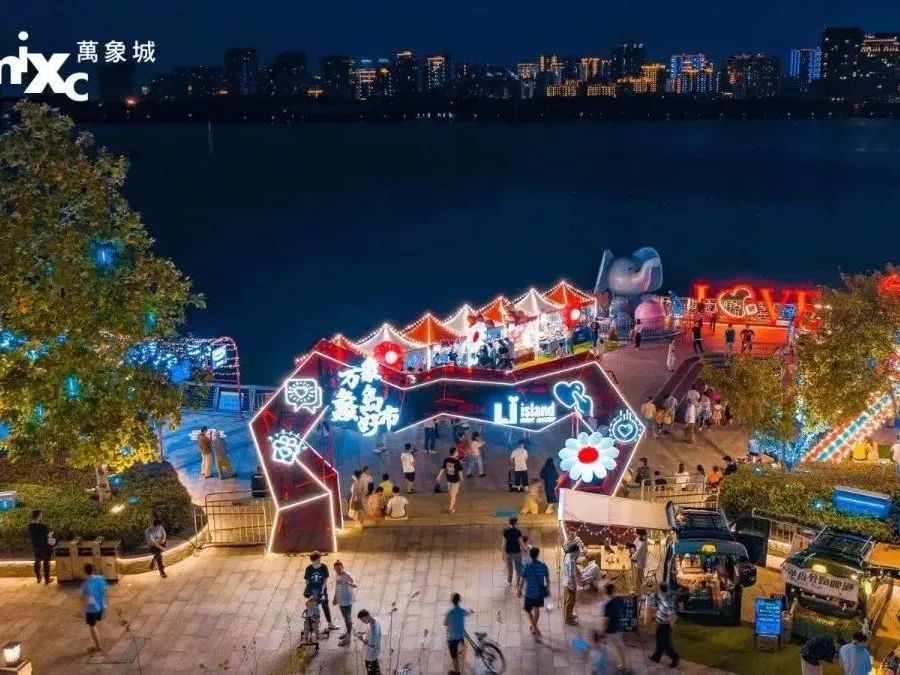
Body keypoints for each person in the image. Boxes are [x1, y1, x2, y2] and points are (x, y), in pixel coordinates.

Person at [596, 583, 629, 671]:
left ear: (605, 592)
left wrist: (602, 632)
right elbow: (624, 609)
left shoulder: (607, 605)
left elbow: (606, 620)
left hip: (611, 630)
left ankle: (624, 666)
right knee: (618, 647)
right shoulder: (619, 599)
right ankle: (623, 664)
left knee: (609, 647)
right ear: (613, 590)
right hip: (619, 627)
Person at [518, 547, 550, 637]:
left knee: (528, 610)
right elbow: (547, 579)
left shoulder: (526, 566)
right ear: (537, 555)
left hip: (529, 593)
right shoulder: (543, 566)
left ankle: (534, 626)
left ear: (530, 555)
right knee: (537, 610)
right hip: (539, 593)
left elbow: (522, 580)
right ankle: (534, 626)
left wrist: (519, 590)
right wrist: (547, 589)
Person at [304, 551, 338, 631]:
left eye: (319, 559)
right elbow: (307, 581)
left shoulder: (323, 567)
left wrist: (322, 589)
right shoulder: (308, 568)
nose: (319, 560)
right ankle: (313, 625)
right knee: (313, 608)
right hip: (312, 591)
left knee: (325, 606)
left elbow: (325, 579)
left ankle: (330, 624)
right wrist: (310, 592)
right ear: (313, 560)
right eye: (318, 559)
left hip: (322, 591)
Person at [649, 583, 679, 668]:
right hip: (660, 624)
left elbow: (672, 615)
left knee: (666, 645)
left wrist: (666, 622)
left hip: (664, 626)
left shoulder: (667, 601)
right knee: (659, 642)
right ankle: (656, 657)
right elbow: (656, 605)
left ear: (661, 590)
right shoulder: (662, 598)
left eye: (658, 589)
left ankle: (675, 657)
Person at [81, 562, 108, 652]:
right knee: (96, 623)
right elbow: (105, 590)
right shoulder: (101, 578)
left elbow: (87, 599)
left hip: (92, 609)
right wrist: (104, 603)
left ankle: (97, 646)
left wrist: (82, 610)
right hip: (101, 606)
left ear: (85, 572)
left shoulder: (85, 584)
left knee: (92, 627)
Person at [444, 593, 473, 675]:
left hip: (452, 639)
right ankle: (462, 651)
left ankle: (457, 671)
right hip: (461, 635)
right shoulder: (462, 610)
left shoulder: (450, 613)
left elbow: (445, 623)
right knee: (461, 642)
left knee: (454, 656)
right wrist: (471, 611)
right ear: (459, 600)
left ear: (452, 601)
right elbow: (468, 614)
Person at [332, 560, 357, 646]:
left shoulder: (347, 575)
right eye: (336, 569)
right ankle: (347, 633)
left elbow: (355, 585)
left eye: (339, 569)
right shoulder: (337, 575)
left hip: (347, 600)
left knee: (347, 618)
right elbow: (337, 587)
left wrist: (347, 583)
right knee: (346, 617)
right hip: (341, 600)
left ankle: (348, 637)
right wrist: (335, 598)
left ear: (343, 567)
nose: (337, 571)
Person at [28, 509, 52, 585]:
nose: (42, 515)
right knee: (46, 562)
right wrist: (50, 535)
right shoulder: (42, 526)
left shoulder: (30, 526)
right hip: (44, 546)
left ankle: (38, 578)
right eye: (41, 514)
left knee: (37, 561)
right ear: (39, 515)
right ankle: (47, 580)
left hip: (36, 546)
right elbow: (48, 535)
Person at [436, 447, 464, 513]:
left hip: (448, 478)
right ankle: (451, 508)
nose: (458, 452)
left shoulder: (446, 459)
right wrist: (461, 478)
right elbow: (460, 471)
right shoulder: (457, 461)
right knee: (454, 494)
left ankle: (452, 502)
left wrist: (439, 475)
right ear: (455, 453)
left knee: (451, 492)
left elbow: (443, 468)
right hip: (455, 480)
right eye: (457, 451)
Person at [356, 609, 382, 675]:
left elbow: (372, 646)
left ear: (366, 617)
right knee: (376, 667)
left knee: (371, 671)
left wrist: (362, 639)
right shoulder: (375, 620)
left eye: (362, 620)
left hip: (371, 655)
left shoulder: (374, 631)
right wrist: (363, 632)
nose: (363, 622)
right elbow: (369, 629)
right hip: (376, 651)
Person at [502, 517, 525, 586]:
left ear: (509, 522)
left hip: (509, 553)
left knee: (510, 568)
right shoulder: (518, 531)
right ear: (515, 523)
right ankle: (518, 582)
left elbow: (504, 544)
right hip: (517, 552)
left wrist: (503, 554)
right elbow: (521, 542)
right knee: (518, 568)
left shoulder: (505, 531)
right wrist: (525, 548)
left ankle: (509, 581)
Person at [562, 542, 580, 625]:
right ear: (574, 552)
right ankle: (568, 619)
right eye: (578, 551)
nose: (579, 553)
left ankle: (569, 615)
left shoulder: (568, 555)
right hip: (570, 584)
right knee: (570, 602)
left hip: (566, 582)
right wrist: (573, 585)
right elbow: (570, 575)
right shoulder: (570, 561)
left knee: (568, 600)